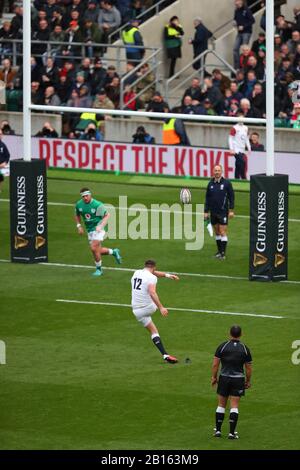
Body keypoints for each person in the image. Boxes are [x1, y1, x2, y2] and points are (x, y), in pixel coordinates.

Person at [131, 259, 179, 364]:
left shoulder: (137, 272)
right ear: (154, 267)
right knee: (151, 297)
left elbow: (152, 273)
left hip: (136, 311)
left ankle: (165, 355)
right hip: (148, 308)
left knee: (154, 332)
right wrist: (161, 307)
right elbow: (152, 292)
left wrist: (167, 275)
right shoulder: (152, 277)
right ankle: (165, 355)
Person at [211, 325, 252, 439]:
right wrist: (248, 381)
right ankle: (231, 433)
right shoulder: (245, 348)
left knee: (221, 405)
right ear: (241, 334)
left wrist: (214, 377)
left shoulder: (223, 346)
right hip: (238, 380)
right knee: (234, 406)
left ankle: (218, 431)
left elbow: (215, 364)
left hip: (224, 378)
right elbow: (248, 368)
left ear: (229, 334)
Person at [74, 188, 122, 277]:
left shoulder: (97, 204)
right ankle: (113, 252)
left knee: (93, 248)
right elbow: (77, 214)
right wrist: (79, 226)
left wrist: (100, 225)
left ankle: (99, 270)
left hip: (99, 229)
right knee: (97, 250)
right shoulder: (79, 204)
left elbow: (107, 215)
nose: (85, 198)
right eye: (83, 196)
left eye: (86, 195)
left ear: (90, 194)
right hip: (90, 230)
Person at [204, 165, 235, 260]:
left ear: (222, 172)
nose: (217, 172)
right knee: (217, 232)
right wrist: (206, 211)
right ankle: (219, 252)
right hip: (213, 212)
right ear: (213, 172)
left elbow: (232, 197)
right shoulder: (210, 184)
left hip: (223, 212)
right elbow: (207, 198)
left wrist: (231, 210)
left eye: (218, 170)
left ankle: (223, 253)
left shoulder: (227, 183)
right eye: (215, 170)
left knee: (222, 231)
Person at [233, 0, 255, 70]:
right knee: (235, 49)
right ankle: (237, 66)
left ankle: (245, 66)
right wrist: (234, 22)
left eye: (237, 1)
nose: (235, 2)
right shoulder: (236, 10)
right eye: (235, 1)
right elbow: (235, 19)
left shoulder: (246, 10)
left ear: (241, 2)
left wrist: (244, 26)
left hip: (246, 32)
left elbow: (252, 20)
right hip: (239, 33)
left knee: (245, 50)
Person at [228, 114, 251, 179]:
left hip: (242, 149)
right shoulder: (234, 127)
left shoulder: (246, 128)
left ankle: (237, 178)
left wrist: (249, 147)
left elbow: (246, 138)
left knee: (238, 164)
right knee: (242, 162)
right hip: (236, 149)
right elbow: (230, 138)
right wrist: (231, 149)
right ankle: (243, 178)